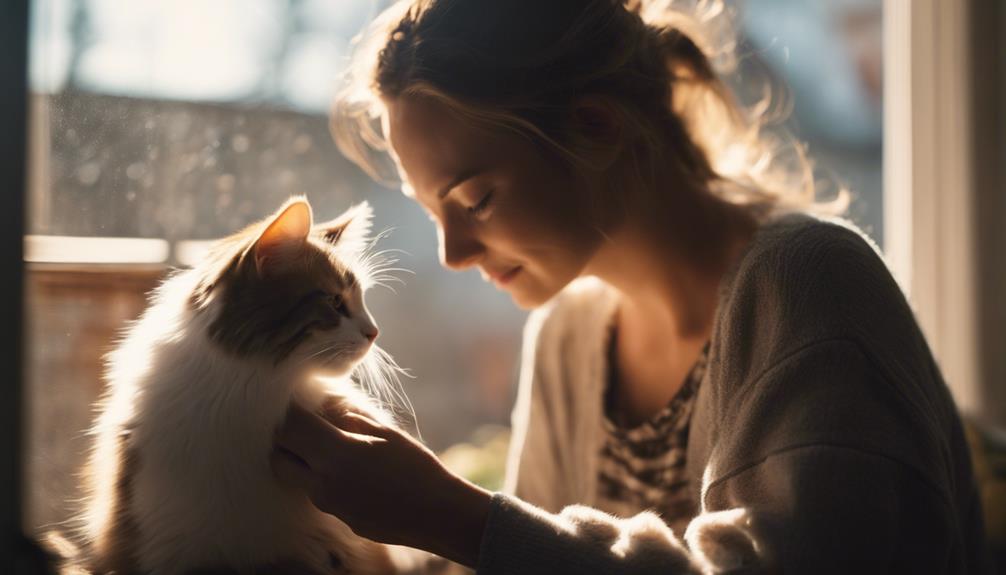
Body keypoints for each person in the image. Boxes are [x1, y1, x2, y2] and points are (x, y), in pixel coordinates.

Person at [270, 0, 991, 572]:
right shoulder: (570, 335)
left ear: (596, 125)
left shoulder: (810, 287)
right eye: (434, 213)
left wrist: (454, 516)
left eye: (476, 200)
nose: (454, 253)